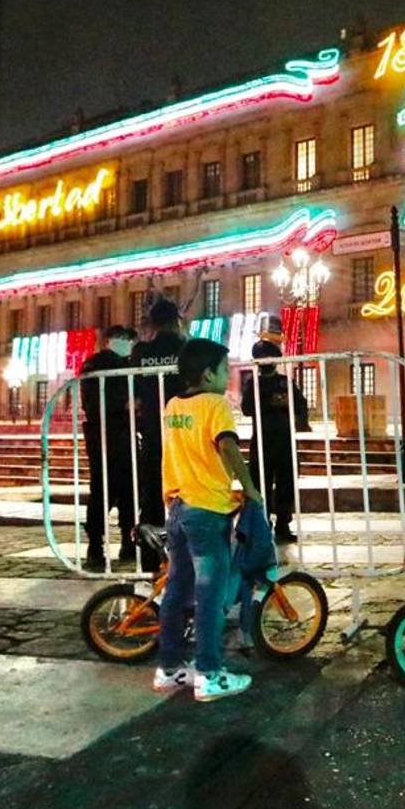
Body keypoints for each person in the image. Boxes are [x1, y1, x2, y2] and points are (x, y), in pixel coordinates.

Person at [153, 338, 263, 702]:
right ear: (207, 373)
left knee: (177, 588)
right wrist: (249, 488)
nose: (227, 376)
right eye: (223, 369)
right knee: (209, 596)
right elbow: (228, 447)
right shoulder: (216, 405)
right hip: (207, 510)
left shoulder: (172, 406)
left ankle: (168, 668)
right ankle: (211, 673)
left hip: (178, 507)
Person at [239, 339, 310, 543]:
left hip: (284, 440)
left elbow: (300, 405)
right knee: (260, 484)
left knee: (286, 484)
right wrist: (269, 401)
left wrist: (296, 414)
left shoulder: (284, 382)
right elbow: (247, 409)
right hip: (262, 441)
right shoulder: (252, 383)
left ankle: (283, 524)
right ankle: (262, 524)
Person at [79, 326, 137, 571]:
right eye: (123, 339)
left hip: (105, 433)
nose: (127, 343)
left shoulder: (92, 364)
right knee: (122, 488)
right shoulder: (112, 365)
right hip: (115, 432)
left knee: (107, 489)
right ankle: (117, 542)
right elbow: (117, 401)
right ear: (108, 341)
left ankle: (103, 544)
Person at [131, 298, 185, 558]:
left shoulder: (141, 351)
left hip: (152, 431)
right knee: (186, 494)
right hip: (184, 431)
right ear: (176, 321)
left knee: (151, 493)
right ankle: (184, 552)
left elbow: (135, 392)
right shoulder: (186, 348)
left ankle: (151, 558)